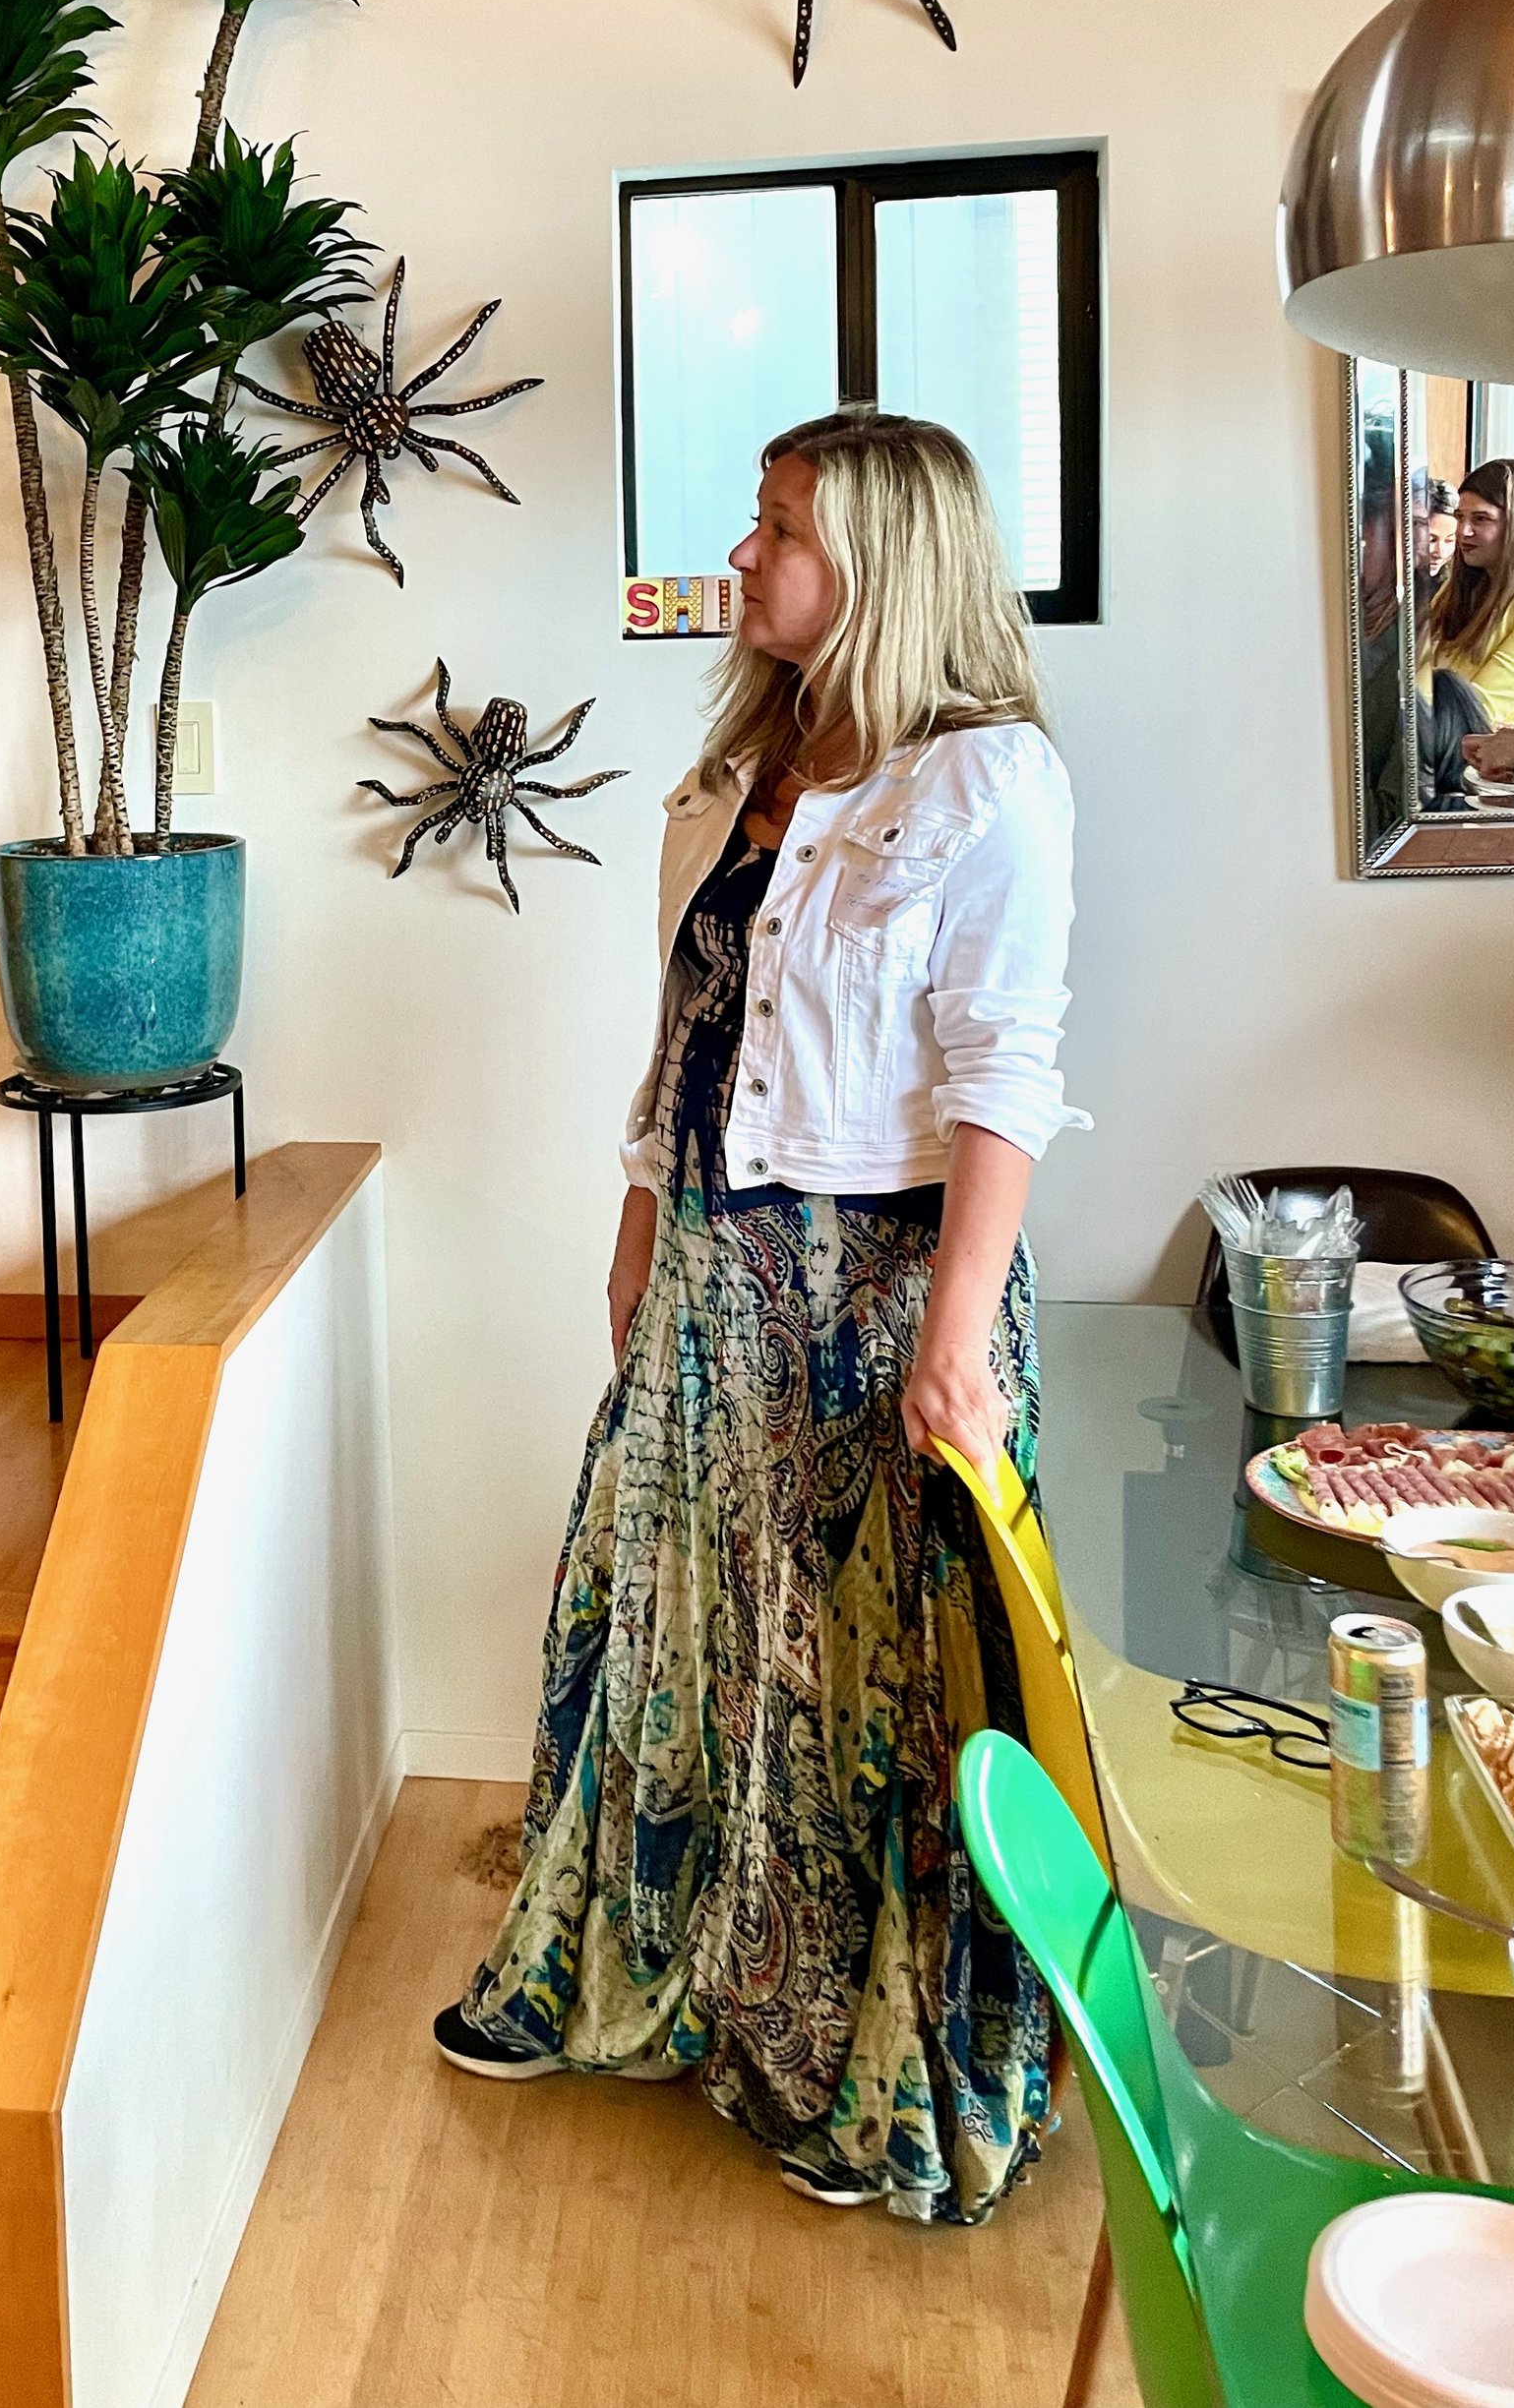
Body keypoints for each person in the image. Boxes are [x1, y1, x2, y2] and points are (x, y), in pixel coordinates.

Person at [433, 410, 1087, 2225]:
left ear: (880, 558)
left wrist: (957, 1332)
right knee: (677, 1620)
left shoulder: (989, 783)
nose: (745, 555)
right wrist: (638, 1218)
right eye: (754, 517)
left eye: (779, 526)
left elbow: (1003, 1078)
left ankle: (879, 2068)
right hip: (721, 1265)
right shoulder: (743, 764)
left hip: (883, 1286)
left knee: (877, 1669)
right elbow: (687, 1029)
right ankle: (647, 1979)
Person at [1425, 457, 1514, 739]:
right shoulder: (1457, 590)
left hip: (1496, 776)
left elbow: (1476, 714)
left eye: (1480, 519)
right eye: (1460, 517)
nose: (1462, 532)